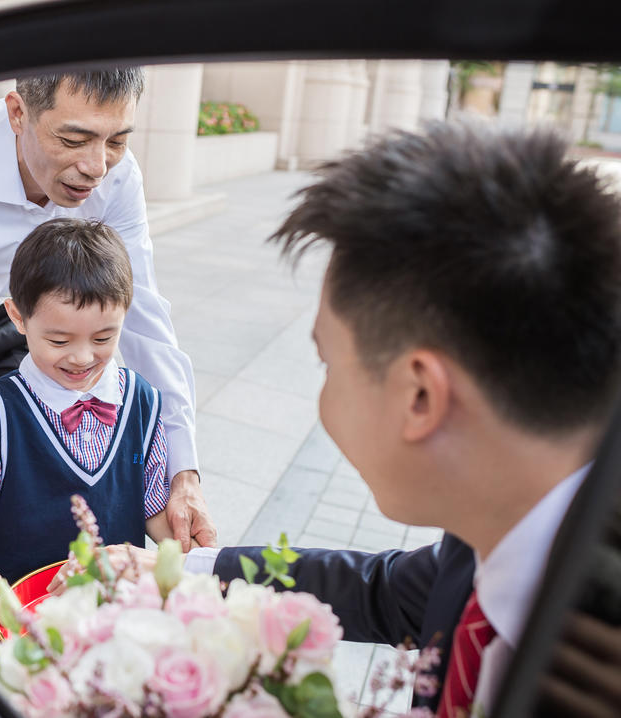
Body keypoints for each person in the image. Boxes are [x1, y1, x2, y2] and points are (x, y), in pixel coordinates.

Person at [59, 121, 621, 717]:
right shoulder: (491, 537)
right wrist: (189, 569)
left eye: (327, 363)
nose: (323, 400)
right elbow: (380, 592)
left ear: (420, 397)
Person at [0, 69, 216, 628]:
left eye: (117, 140)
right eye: (73, 140)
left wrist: (184, 473)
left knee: (27, 479)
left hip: (21, 320)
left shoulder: (117, 179)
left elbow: (144, 315)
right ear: (18, 113)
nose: (96, 166)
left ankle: (31, 629)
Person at [0, 218, 188, 631]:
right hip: (21, 620)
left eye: (104, 338)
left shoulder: (142, 401)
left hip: (117, 621)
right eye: (59, 341)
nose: (83, 358)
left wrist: (193, 564)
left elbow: (157, 515)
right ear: (17, 316)